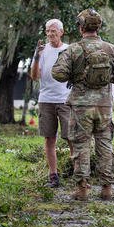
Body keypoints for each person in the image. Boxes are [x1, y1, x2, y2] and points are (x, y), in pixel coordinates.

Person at [52, 8, 114, 201]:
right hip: (104, 105)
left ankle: (82, 189)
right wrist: (107, 78)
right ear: (99, 27)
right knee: (105, 145)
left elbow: (58, 73)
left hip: (81, 106)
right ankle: (106, 188)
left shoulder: (73, 50)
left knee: (81, 146)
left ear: (80, 28)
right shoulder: (111, 49)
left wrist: (77, 76)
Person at [30, 19, 72, 188]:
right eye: (47, 31)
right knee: (49, 138)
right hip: (46, 99)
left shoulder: (68, 50)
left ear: (61, 32)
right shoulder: (42, 50)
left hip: (65, 100)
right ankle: (53, 175)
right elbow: (34, 76)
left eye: (53, 31)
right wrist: (37, 57)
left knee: (71, 137)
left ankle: (77, 173)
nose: (50, 34)